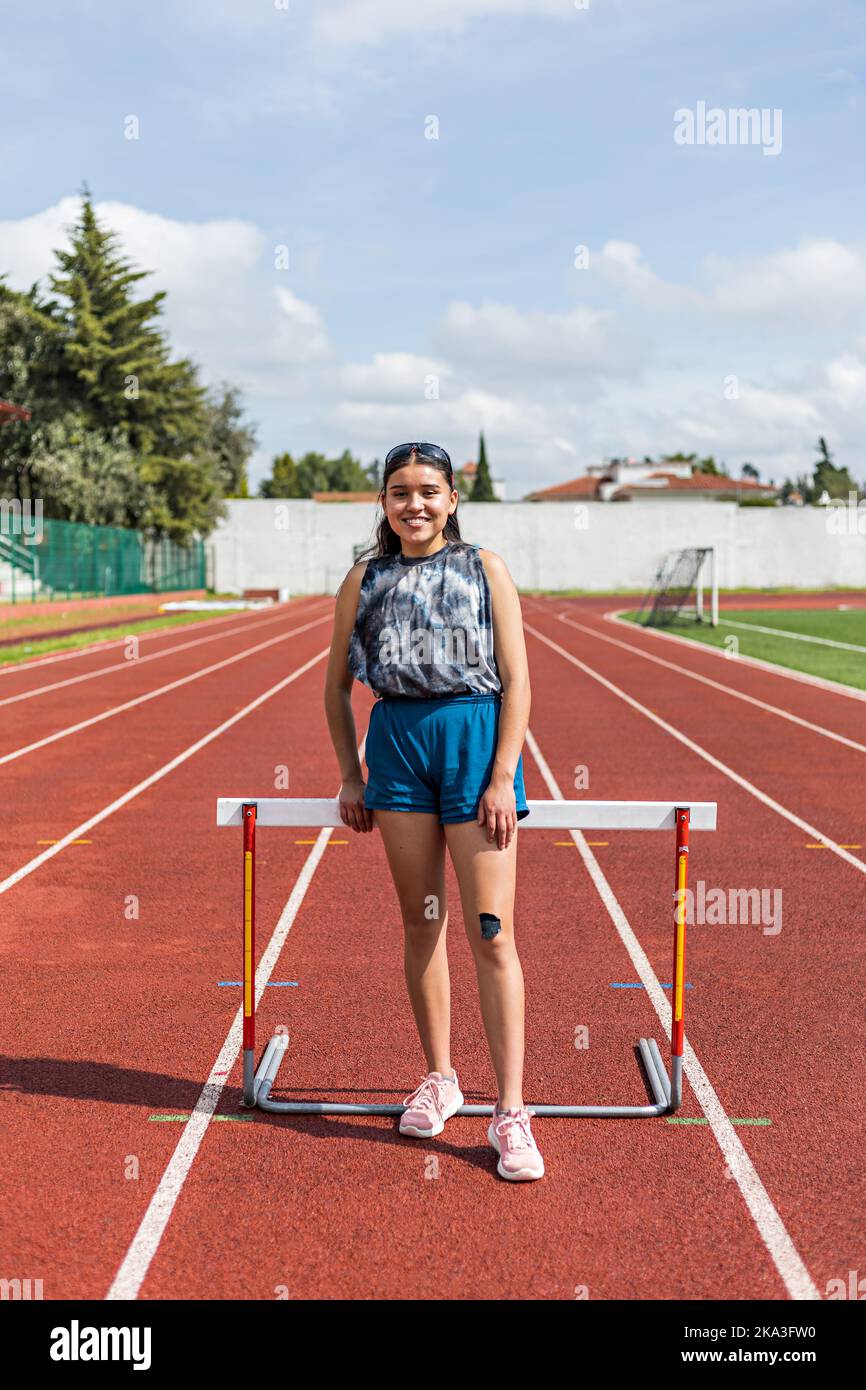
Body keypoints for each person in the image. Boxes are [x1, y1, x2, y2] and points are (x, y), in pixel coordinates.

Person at [323, 441, 544, 1181]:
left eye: (427, 490)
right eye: (398, 492)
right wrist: (351, 776)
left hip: (475, 745)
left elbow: (517, 682)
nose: (413, 504)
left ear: (452, 498)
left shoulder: (486, 568)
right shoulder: (366, 577)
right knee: (422, 921)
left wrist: (502, 771)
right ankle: (442, 1077)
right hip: (398, 747)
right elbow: (334, 688)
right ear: (383, 503)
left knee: (492, 931)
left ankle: (510, 1111)